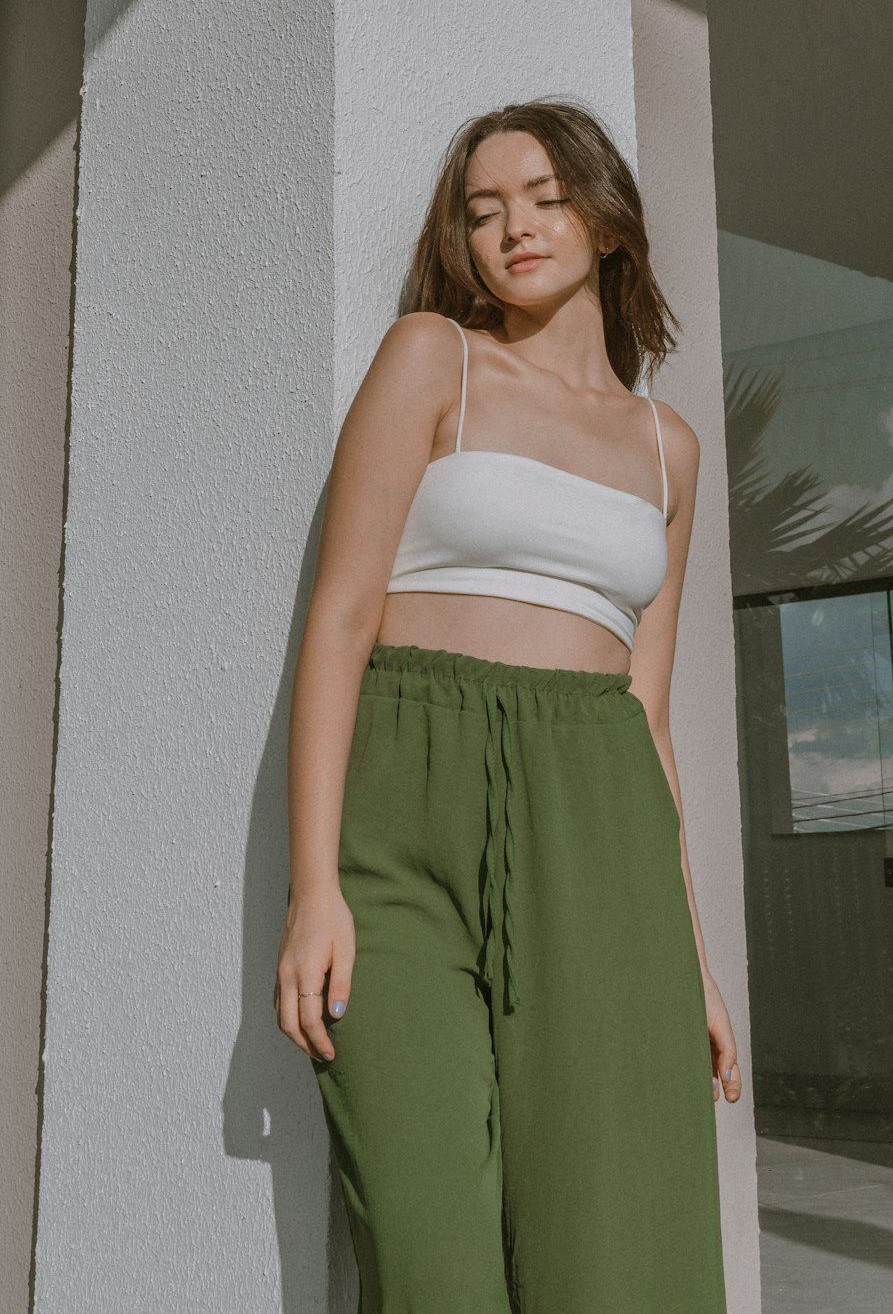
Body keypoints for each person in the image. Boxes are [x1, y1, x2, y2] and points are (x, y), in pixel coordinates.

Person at [274, 98, 741, 1312]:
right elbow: (337, 618)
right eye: (481, 211)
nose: (512, 230)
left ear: (607, 218)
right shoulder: (434, 358)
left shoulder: (666, 446)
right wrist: (313, 885)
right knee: (429, 1249)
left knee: (616, 1238)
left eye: (541, 197)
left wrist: (687, 956)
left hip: (599, 811)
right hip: (406, 792)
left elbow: (646, 711)